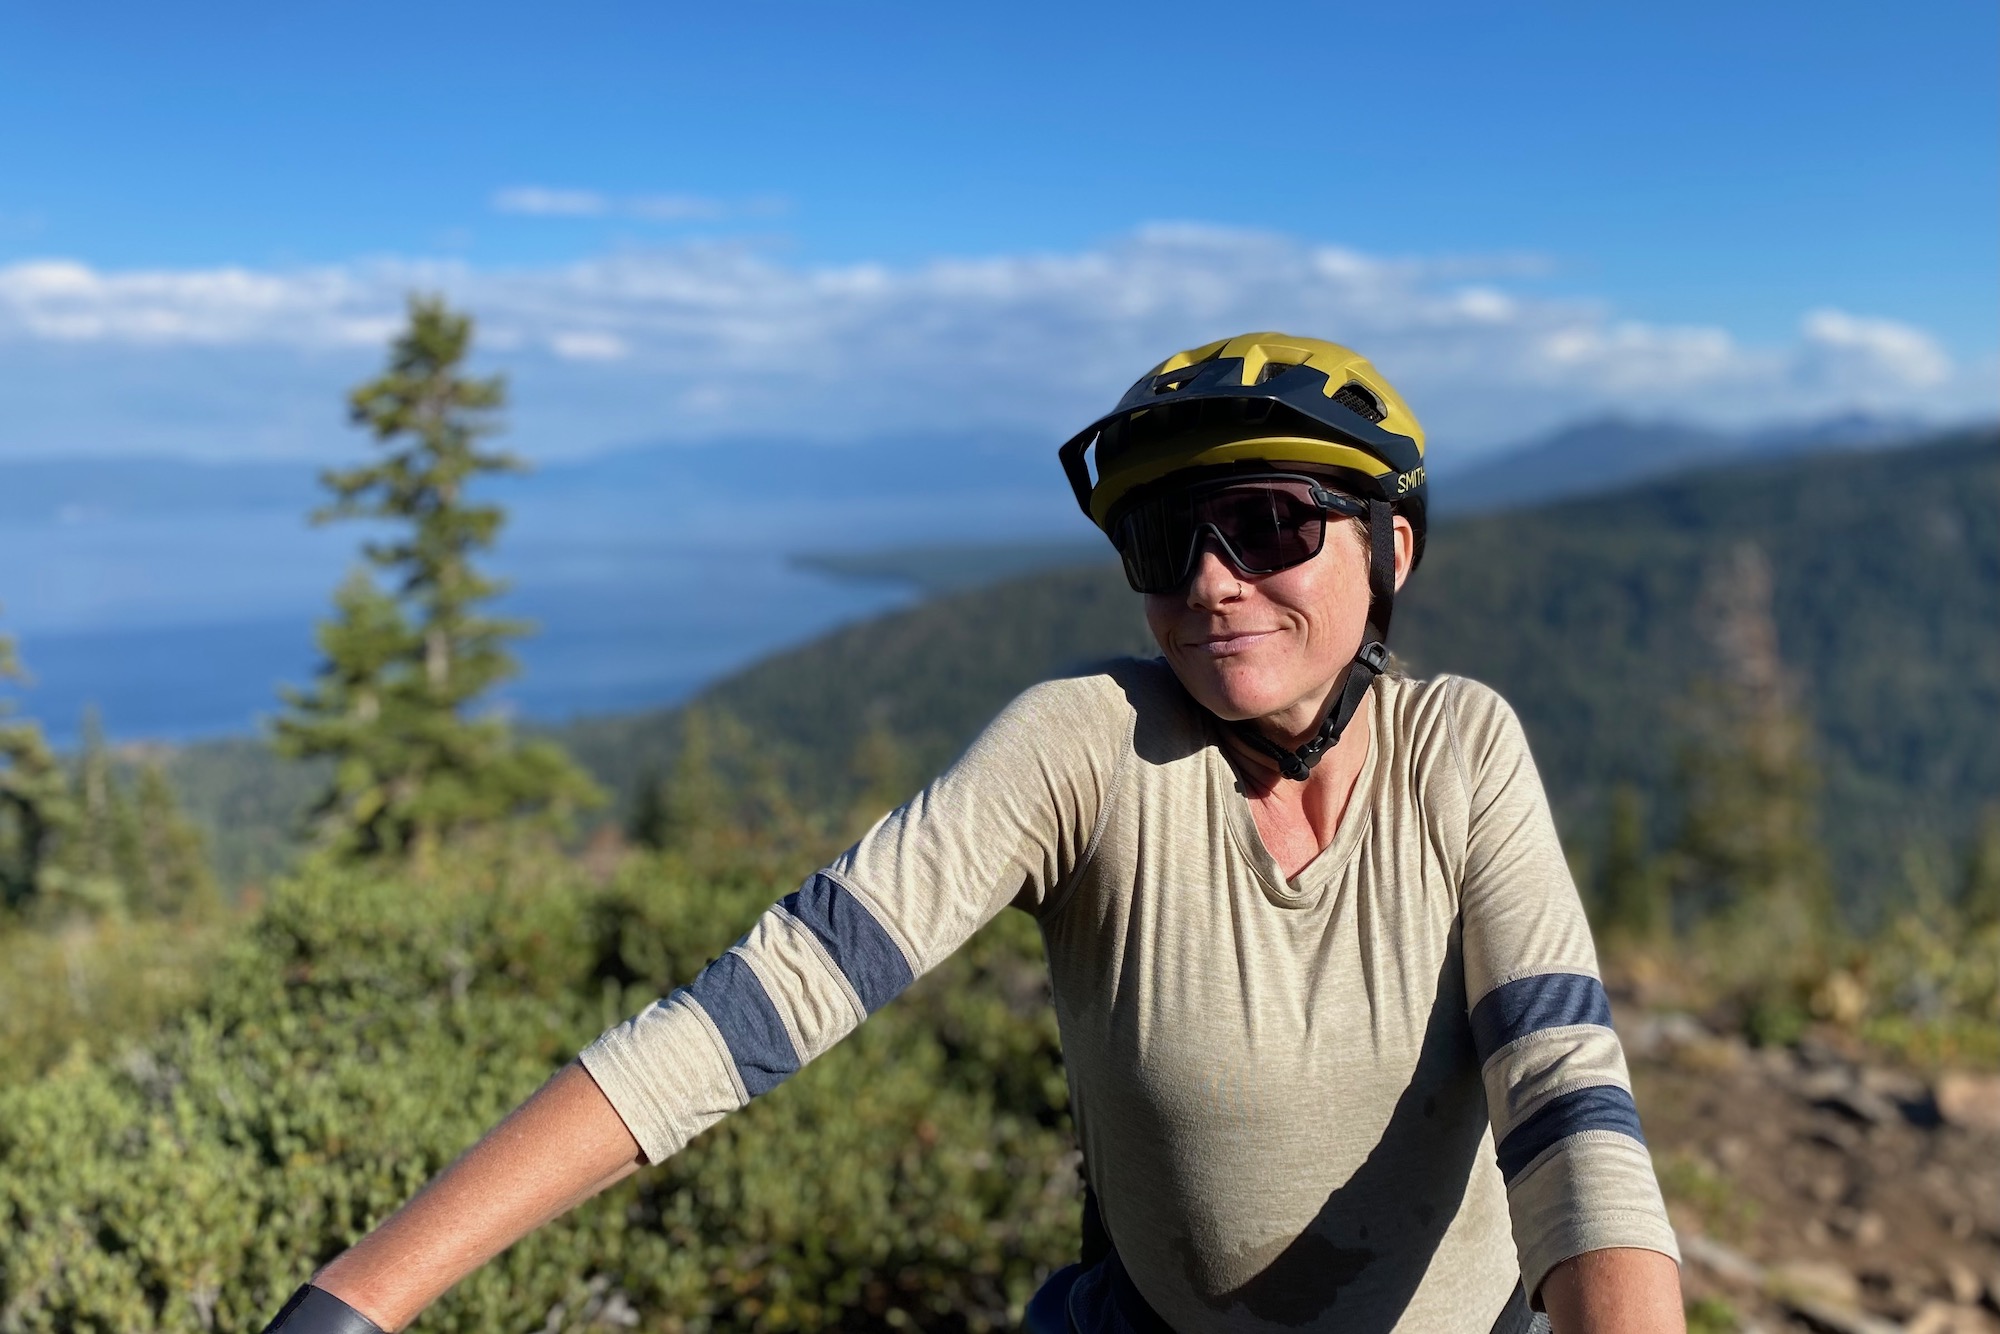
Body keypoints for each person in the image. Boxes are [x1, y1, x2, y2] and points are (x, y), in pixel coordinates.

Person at [261, 333, 1684, 1334]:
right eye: (1164, 541)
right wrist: (354, 1301)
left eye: (1268, 524)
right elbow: (772, 995)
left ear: (1391, 550)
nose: (1211, 580)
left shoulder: (1459, 749)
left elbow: (1565, 1097)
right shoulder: (1086, 746)